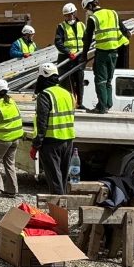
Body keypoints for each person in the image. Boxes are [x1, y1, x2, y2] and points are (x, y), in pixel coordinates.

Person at [31, 63, 76, 195]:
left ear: (43, 77)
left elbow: (42, 122)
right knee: (62, 176)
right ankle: (62, 209)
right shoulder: (67, 93)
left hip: (51, 141)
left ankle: (58, 211)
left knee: (54, 179)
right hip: (68, 140)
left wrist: (36, 145)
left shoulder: (45, 95)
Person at [80, 0, 129, 114]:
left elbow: (87, 38)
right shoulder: (113, 13)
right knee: (108, 80)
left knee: (100, 80)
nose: (88, 11)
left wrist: (84, 54)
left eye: (87, 8)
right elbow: (124, 30)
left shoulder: (94, 18)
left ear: (91, 5)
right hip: (114, 52)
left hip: (102, 53)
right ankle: (107, 104)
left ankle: (101, 107)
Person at [54, 2, 86, 108]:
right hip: (66, 58)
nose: (68, 17)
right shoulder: (61, 26)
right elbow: (58, 42)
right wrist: (68, 52)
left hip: (79, 58)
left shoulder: (81, 25)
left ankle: (79, 103)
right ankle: (67, 103)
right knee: (66, 83)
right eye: (66, 15)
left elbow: (86, 39)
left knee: (79, 81)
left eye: (70, 14)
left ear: (74, 13)